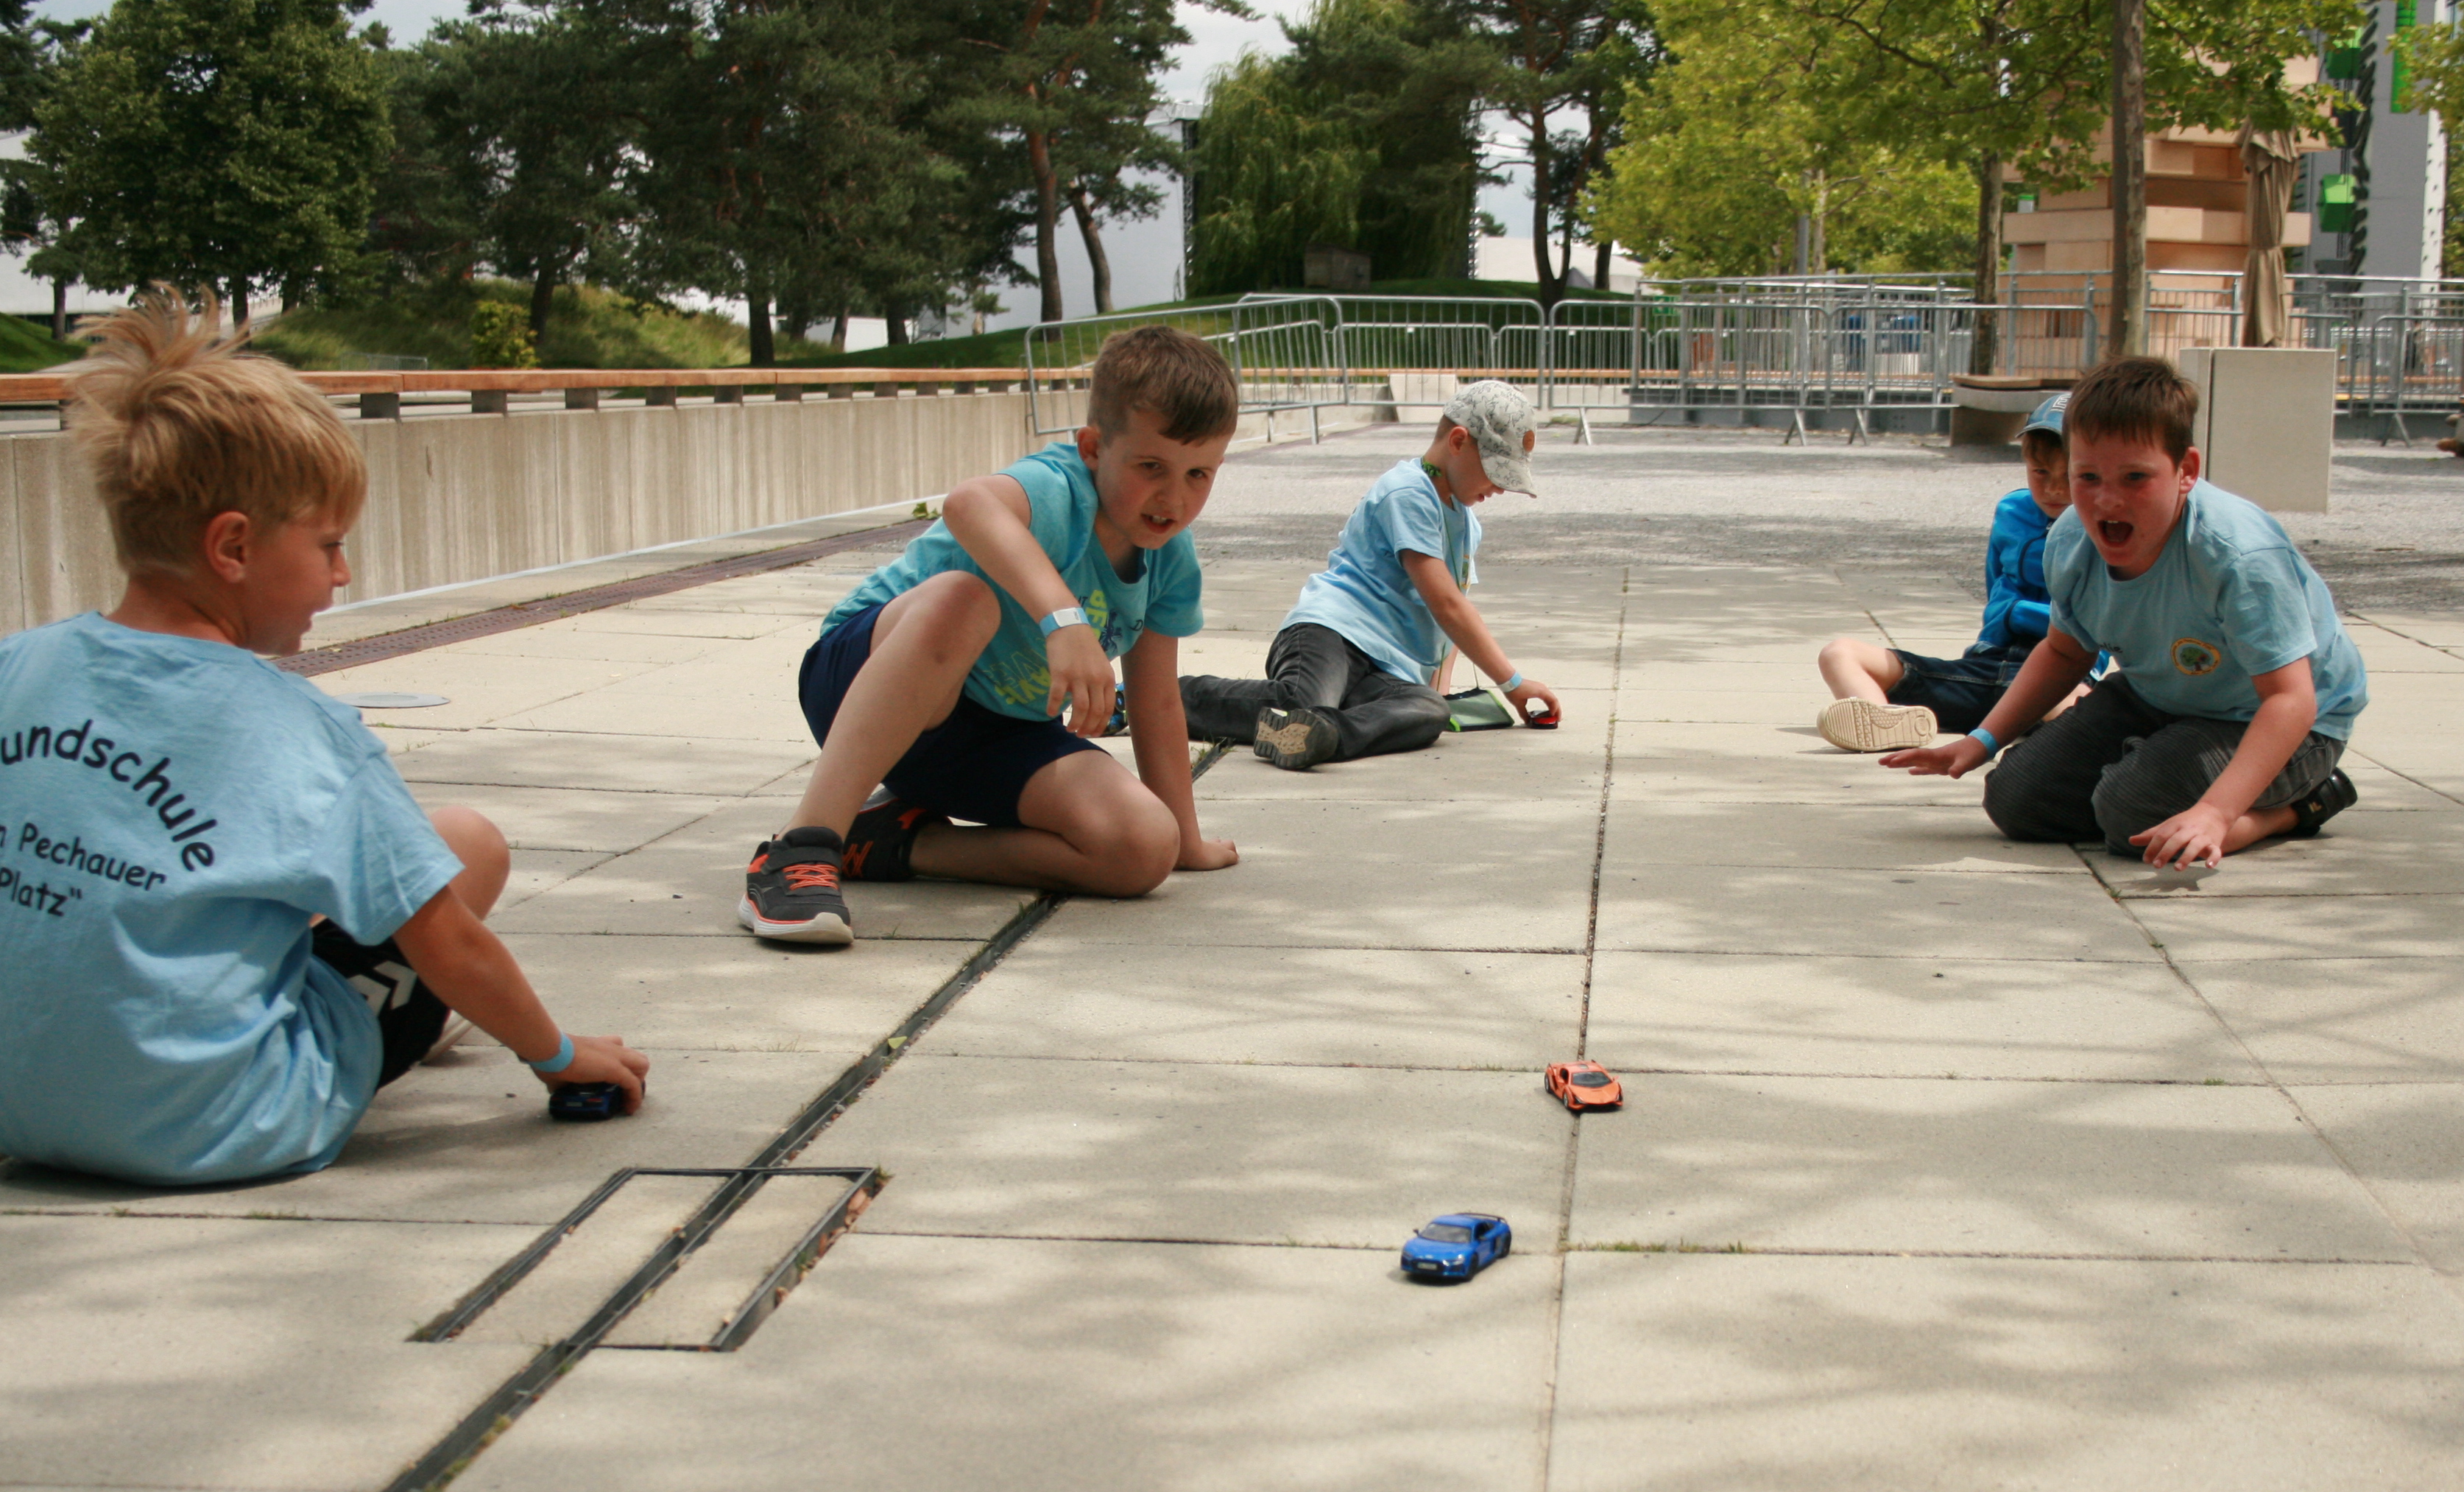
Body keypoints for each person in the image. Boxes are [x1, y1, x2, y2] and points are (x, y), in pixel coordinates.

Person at [0, 290, 648, 1186]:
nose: (342, 575)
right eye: (329, 545)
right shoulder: (301, 731)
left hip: (15, 1107)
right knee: (466, 848)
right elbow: (451, 945)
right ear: (232, 548)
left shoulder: (17, 668)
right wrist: (559, 1055)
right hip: (214, 1124)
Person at [743, 326, 1242, 946]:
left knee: (1143, 847)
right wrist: (1064, 620)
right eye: (1151, 467)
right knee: (963, 599)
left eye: (1199, 474)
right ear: (1093, 447)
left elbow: (1157, 700)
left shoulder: (1169, 560)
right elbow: (967, 503)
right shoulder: (1058, 489)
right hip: (866, 683)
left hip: (995, 735)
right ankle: (799, 849)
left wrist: (1186, 842)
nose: (1174, 496)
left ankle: (898, 844)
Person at [1888, 354, 2366, 868]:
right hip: (2160, 695)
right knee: (2018, 800)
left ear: (2186, 471)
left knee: (2132, 818)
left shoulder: (2238, 557)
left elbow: (2290, 700)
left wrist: (2215, 812)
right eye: (2087, 476)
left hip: (2284, 722)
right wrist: (1982, 741)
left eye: (2135, 477)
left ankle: (2299, 807)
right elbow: (2064, 652)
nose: (2108, 500)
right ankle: (2163, 772)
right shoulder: (2071, 540)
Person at [1177, 381, 1561, 772]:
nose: (1500, 488)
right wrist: (1512, 683)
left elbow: (1452, 619)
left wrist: (1438, 689)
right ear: (1458, 442)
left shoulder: (1466, 523)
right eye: (1496, 473)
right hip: (1332, 633)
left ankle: (1322, 735)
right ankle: (1168, 698)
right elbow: (1447, 606)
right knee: (1303, 699)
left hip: (1386, 669)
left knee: (1429, 710)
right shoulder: (1408, 492)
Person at [1816, 392, 2077, 755]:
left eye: (2070, 475)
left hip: (2058, 672)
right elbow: (1995, 583)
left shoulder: (2101, 523)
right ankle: (1884, 720)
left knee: (2072, 702)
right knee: (1839, 652)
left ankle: (2064, 738)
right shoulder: (2012, 510)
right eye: (2041, 472)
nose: (2053, 489)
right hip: (1985, 667)